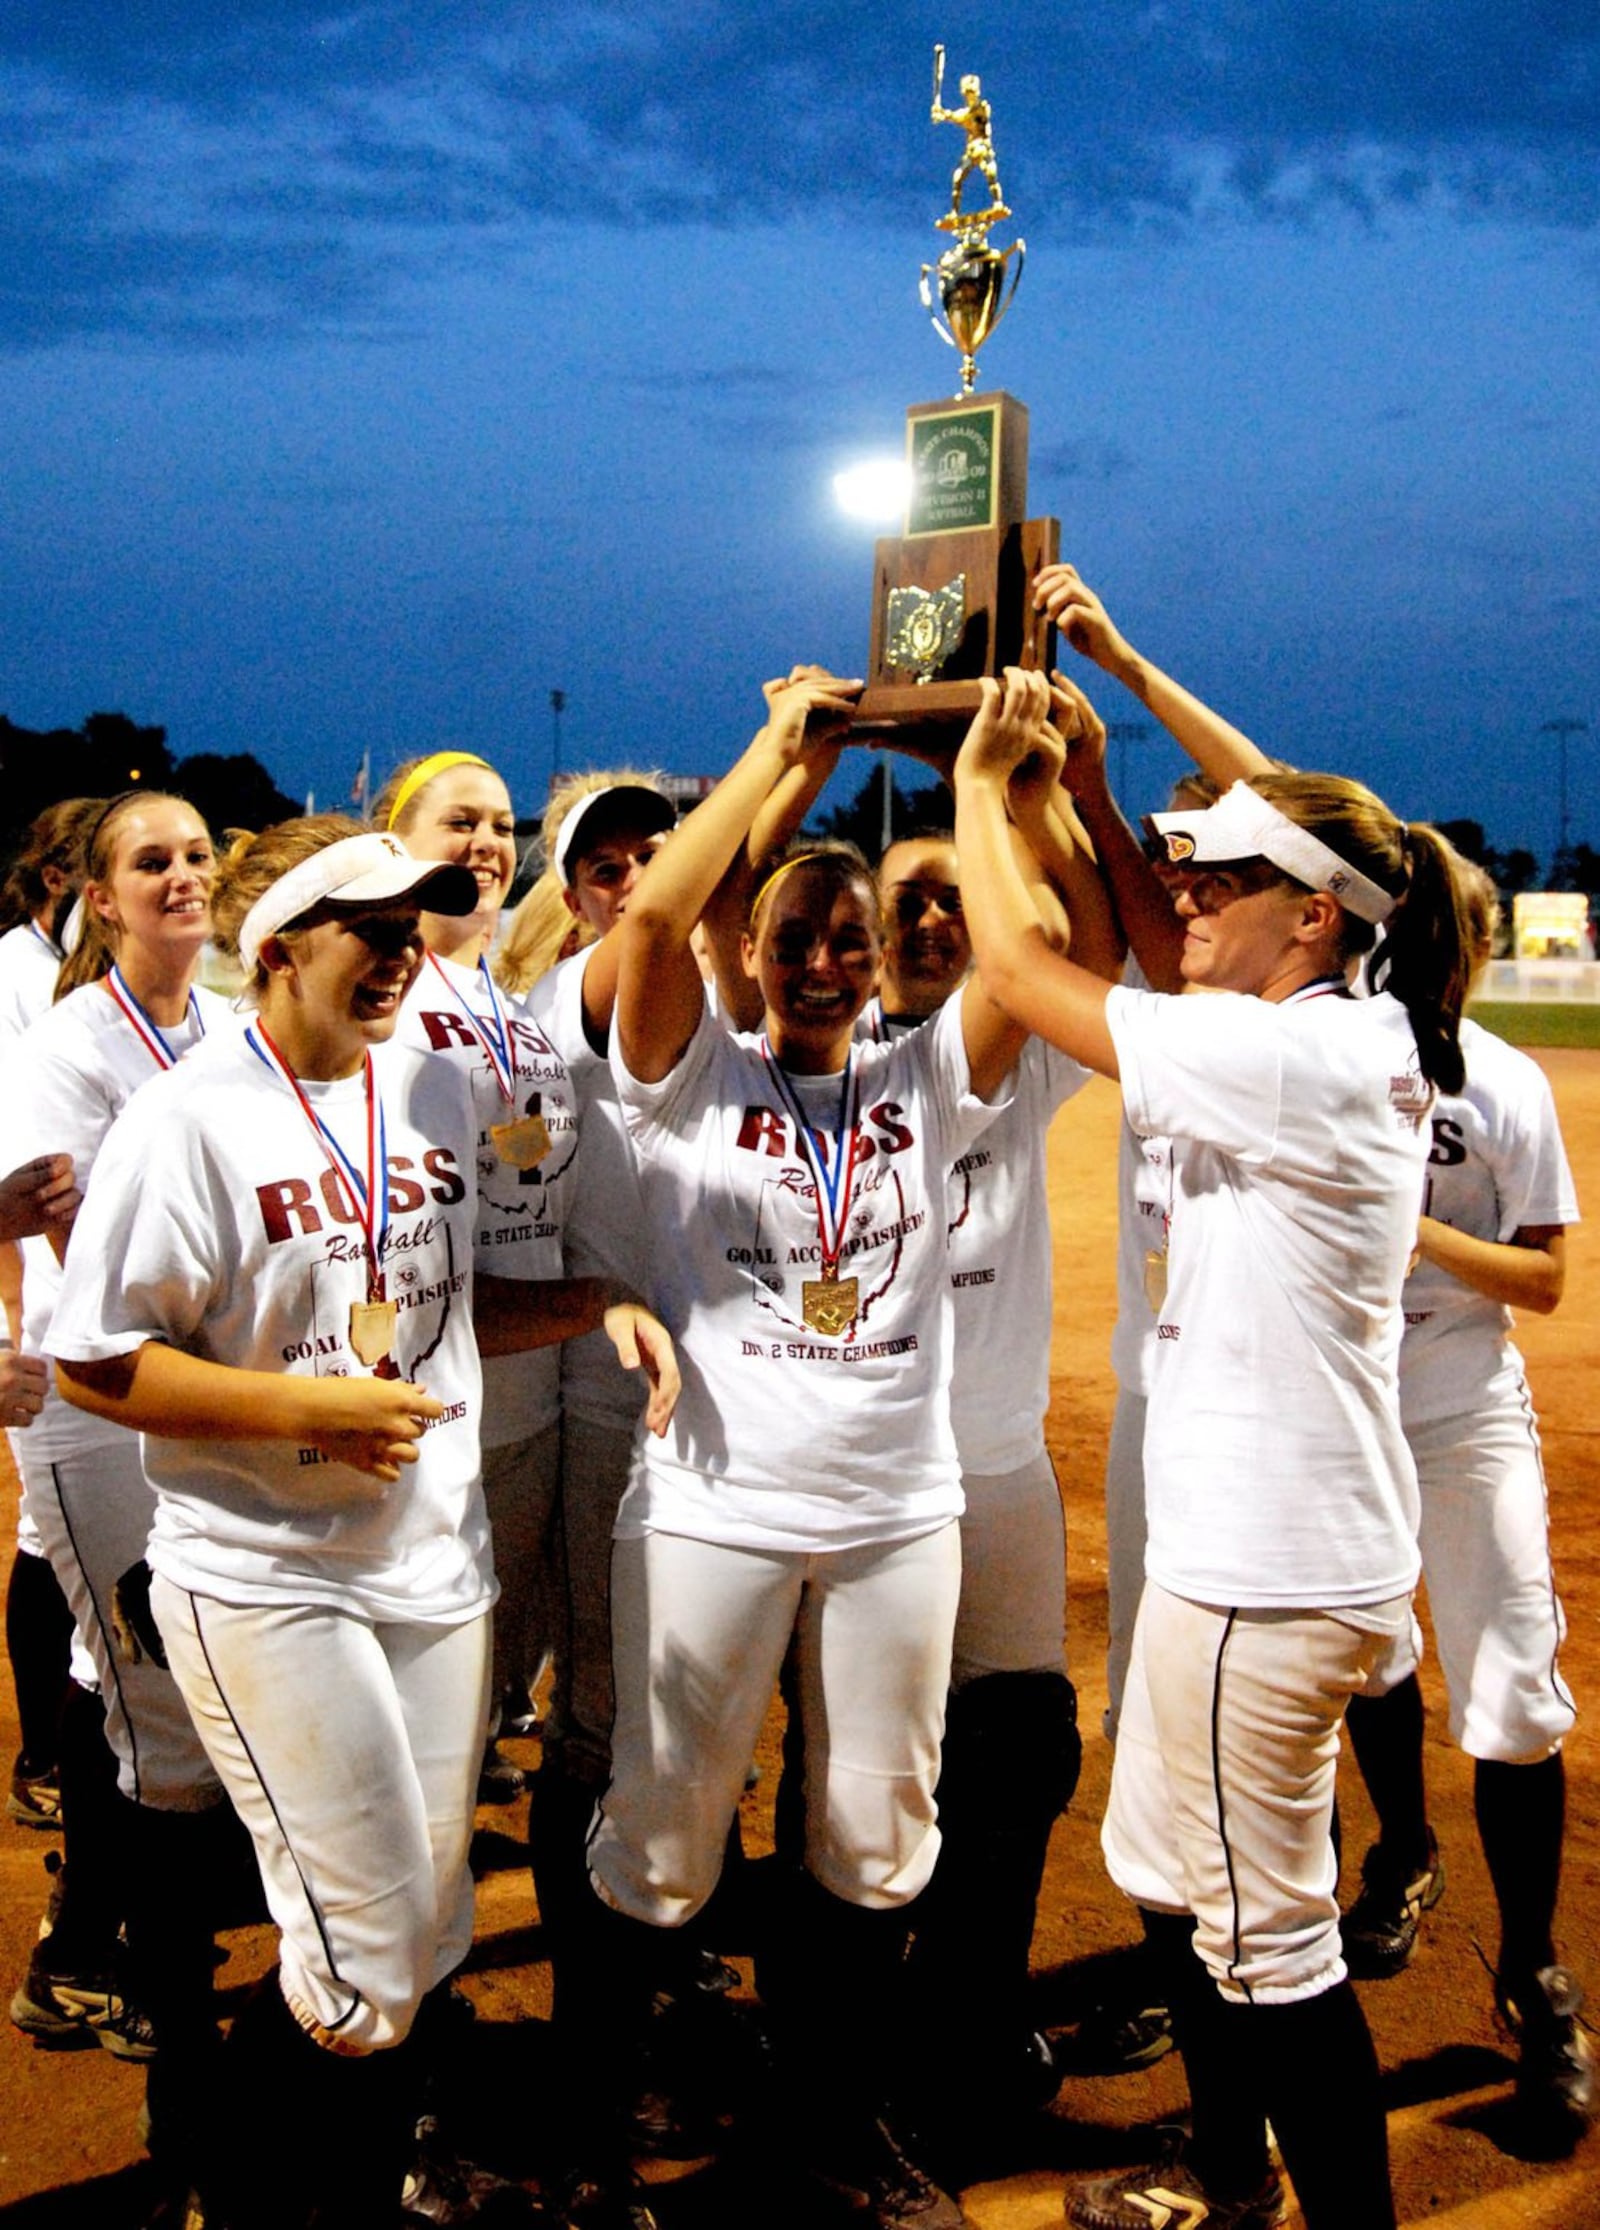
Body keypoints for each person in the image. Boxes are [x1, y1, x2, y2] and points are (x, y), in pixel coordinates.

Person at [47, 815, 677, 2228]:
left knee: (427, 1929)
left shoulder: (436, 1093)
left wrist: (594, 1301)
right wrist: (300, 1414)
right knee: (369, 1954)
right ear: (276, 949)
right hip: (267, 1579)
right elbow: (96, 1357)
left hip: (433, 1569)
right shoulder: (190, 1117)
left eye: (414, 929)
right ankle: (250, 2182)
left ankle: (309, 2181)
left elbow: (450, 1310)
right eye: (369, 930)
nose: (400, 955)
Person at [954, 676, 1472, 2230]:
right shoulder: (1308, 1023)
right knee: (1181, 1878)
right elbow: (1145, 927)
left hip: (1272, 1566)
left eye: (1228, 875)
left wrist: (989, 783)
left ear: (1314, 919)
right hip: (1258, 1549)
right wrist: (1102, 794)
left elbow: (1021, 964)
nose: (1190, 887)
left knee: (1273, 1950)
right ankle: (1233, 2173)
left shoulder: (1304, 1059)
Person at [560, 668, 1049, 2230]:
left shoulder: (927, 1073)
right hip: (717, 1503)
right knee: (665, 1827)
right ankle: (595, 2134)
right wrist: (782, 748)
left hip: (902, 1510)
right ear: (753, 952)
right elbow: (649, 927)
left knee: (876, 1829)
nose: (833, 958)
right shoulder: (694, 1071)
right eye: (800, 934)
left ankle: (830, 2121)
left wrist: (990, 776)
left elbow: (1059, 958)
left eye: (853, 936)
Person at [6, 790, 238, 2213]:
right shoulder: (65, 1043)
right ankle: (157, 2023)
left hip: (208, 1393)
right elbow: (84, 1228)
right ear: (98, 895)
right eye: (151, 860)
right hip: (95, 1410)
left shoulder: (223, 1026)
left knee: (199, 1691)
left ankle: (111, 1946)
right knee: (145, 1711)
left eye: (199, 855)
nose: (184, 877)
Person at [1340, 854, 1591, 2147]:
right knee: (1372, 1649)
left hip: (1462, 1398)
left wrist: (1416, 1231)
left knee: (1511, 1689)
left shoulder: (1504, 1080)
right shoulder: (1331, 1059)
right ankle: (1400, 1849)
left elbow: (1545, 1282)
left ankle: (1536, 1972)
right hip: (1344, 1406)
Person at [377, 749, 581, 1799]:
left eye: (500, 825)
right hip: (442, 1378)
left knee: (506, 1633)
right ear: (394, 845)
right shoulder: (386, 989)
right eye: (458, 822)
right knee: (425, 1660)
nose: (487, 844)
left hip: (533, 1365)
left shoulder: (506, 997)